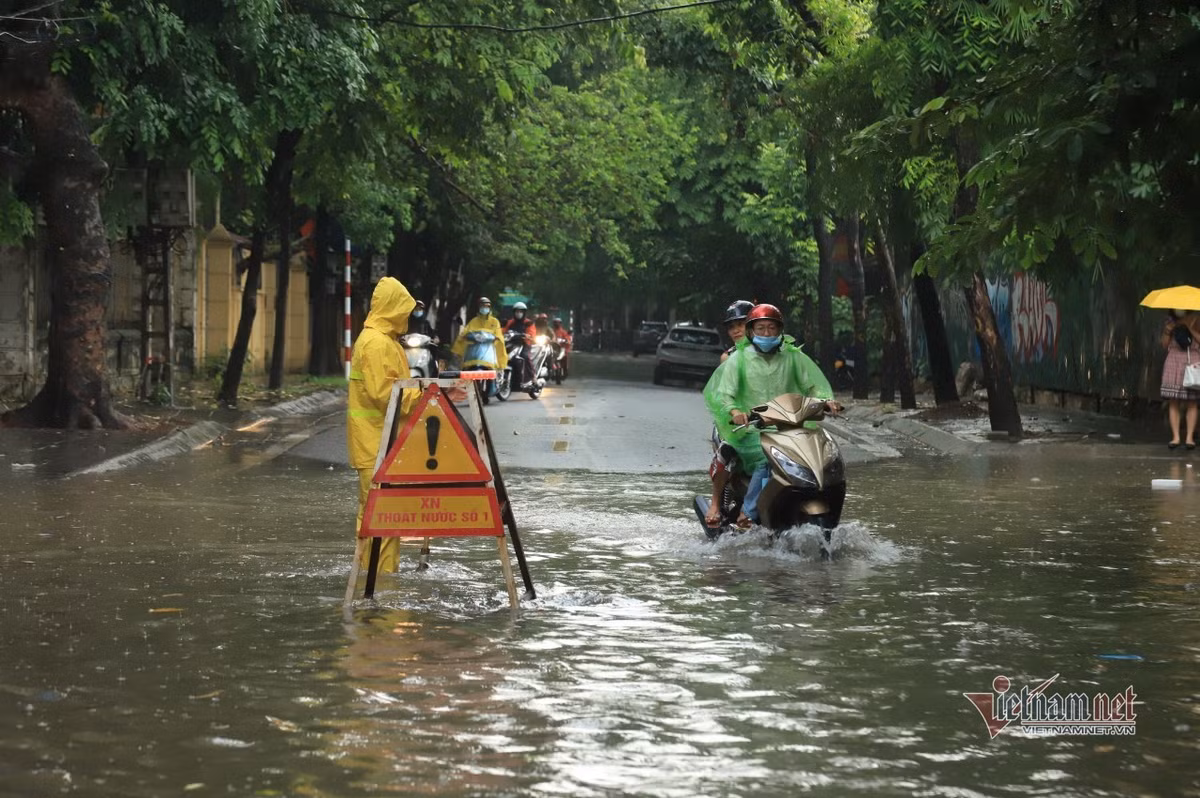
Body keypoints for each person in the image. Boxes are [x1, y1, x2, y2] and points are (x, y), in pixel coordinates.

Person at [703, 303, 840, 527]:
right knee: (766, 458)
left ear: (780, 331)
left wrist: (826, 401)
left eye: (772, 328)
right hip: (750, 430)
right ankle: (746, 512)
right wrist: (736, 411)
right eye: (761, 329)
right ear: (751, 332)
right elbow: (724, 394)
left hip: (788, 427)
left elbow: (813, 386)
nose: (767, 333)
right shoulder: (738, 359)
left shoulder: (793, 356)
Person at [347, 277, 420, 574]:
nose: (407, 316)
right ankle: (382, 586)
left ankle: (371, 579)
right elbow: (385, 395)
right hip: (376, 444)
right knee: (383, 518)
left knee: (378, 516)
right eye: (403, 309)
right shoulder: (377, 344)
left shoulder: (384, 340)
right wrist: (425, 394)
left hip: (380, 444)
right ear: (392, 308)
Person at [702, 300, 756, 527]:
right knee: (727, 450)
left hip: (766, 418)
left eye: (741, 324)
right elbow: (722, 393)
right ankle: (715, 503)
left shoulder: (771, 353)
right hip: (734, 420)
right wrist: (733, 411)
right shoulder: (729, 357)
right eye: (731, 326)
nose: (736, 330)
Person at [1160, 309, 1200, 449]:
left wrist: (1189, 328)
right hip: (1174, 360)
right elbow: (1164, 345)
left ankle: (1189, 438)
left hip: (1192, 360)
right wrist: (1167, 331)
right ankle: (1175, 437)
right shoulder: (1170, 322)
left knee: (1192, 401)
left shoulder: (1196, 319)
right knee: (1173, 400)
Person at [451, 296, 507, 371]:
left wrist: (489, 337)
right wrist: (457, 351)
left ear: (489, 307)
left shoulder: (495, 321)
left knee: (492, 376)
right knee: (465, 375)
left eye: (486, 306)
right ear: (479, 307)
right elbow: (463, 334)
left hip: (489, 356)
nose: (484, 308)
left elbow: (499, 337)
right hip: (472, 357)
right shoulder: (473, 321)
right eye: (482, 306)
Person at [503, 302, 537, 387]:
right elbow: (503, 331)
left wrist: (527, 336)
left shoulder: (528, 323)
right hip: (511, 344)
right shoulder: (510, 322)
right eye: (517, 311)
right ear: (514, 312)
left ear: (524, 312)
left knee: (525, 356)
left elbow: (531, 334)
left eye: (521, 311)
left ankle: (533, 377)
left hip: (524, 344)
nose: (518, 313)